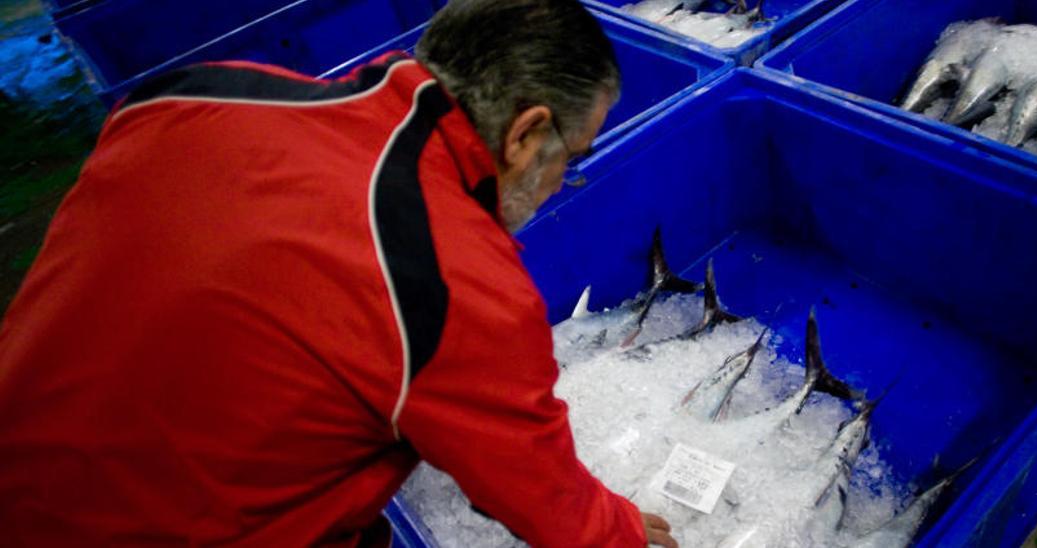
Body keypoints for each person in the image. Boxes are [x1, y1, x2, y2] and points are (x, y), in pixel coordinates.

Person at [0, 0, 679, 546]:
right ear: (527, 134)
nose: (565, 182)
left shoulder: (194, 95)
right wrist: (623, 531)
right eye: (574, 156)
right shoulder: (451, 280)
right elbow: (551, 508)